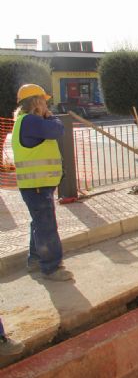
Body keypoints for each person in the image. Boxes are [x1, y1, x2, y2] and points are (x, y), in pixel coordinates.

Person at [12, 84, 73, 281]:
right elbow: (57, 129)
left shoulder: (23, 121)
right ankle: (51, 268)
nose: (47, 104)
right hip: (37, 186)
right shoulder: (31, 121)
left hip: (35, 186)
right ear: (36, 102)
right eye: (44, 101)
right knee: (46, 226)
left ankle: (36, 260)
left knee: (39, 223)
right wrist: (51, 116)